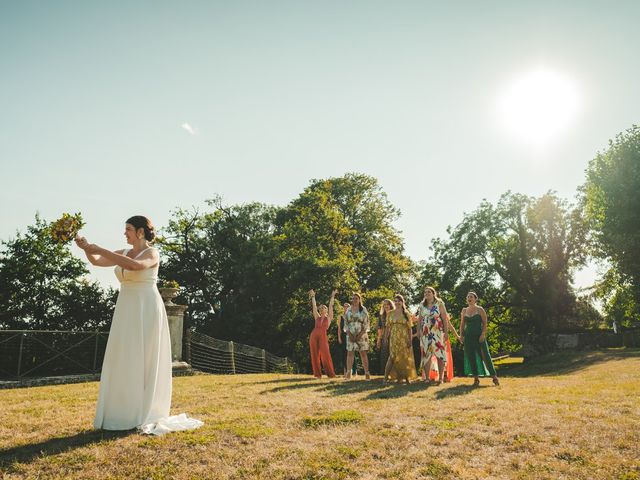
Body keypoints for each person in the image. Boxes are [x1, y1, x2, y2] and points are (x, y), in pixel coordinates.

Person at [75, 216, 202, 434]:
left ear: (141, 232)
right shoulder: (122, 253)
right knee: (124, 355)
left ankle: (144, 409)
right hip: (126, 308)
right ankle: (121, 410)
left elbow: (135, 266)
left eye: (129, 229)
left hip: (147, 308)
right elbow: (96, 261)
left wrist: (100, 248)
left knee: (144, 356)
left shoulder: (152, 253)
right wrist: (86, 247)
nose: (125, 233)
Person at [459, 292, 499, 386]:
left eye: (471, 297)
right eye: (468, 296)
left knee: (485, 356)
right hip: (468, 337)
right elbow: (462, 325)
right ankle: (476, 379)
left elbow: (485, 323)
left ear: (475, 299)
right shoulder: (464, 310)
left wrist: (483, 334)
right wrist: (461, 336)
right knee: (471, 357)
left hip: (479, 336)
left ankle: (494, 377)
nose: (469, 298)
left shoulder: (480, 309)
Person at [416, 286, 450, 385]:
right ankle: (427, 378)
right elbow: (419, 319)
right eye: (425, 292)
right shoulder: (422, 305)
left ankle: (440, 378)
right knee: (426, 354)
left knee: (440, 354)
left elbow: (444, 319)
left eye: (429, 292)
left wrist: (446, 332)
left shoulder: (439, 303)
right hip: (426, 332)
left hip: (437, 331)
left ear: (433, 293)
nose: (427, 294)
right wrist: (418, 331)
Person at [383, 295, 417, 384]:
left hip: (404, 338)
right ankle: (385, 378)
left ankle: (406, 379)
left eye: (399, 301)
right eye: (395, 301)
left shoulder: (407, 314)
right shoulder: (390, 313)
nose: (397, 303)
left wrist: (410, 340)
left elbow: (410, 328)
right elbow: (387, 327)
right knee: (392, 357)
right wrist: (385, 337)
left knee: (404, 358)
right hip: (393, 338)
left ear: (402, 302)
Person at [308, 289, 337, 379]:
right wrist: (313, 297)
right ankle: (317, 375)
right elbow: (314, 306)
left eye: (324, 307)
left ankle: (331, 374)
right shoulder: (317, 317)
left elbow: (331, 305)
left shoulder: (329, 318)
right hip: (314, 335)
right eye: (321, 308)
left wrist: (332, 296)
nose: (322, 308)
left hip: (323, 335)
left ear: (326, 310)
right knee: (314, 354)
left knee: (325, 354)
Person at [344, 293, 371, 380]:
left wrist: (360, 334)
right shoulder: (348, 310)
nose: (354, 300)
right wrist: (349, 334)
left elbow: (366, 323)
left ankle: (367, 373)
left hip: (361, 334)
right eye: (353, 298)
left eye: (356, 298)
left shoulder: (363, 310)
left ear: (359, 299)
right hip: (350, 334)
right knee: (350, 353)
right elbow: (346, 323)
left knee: (363, 353)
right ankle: (348, 373)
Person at [428, 314, 461, 383]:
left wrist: (458, 337)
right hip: (435, 339)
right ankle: (434, 374)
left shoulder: (444, 317)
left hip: (443, 339)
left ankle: (444, 375)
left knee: (444, 357)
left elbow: (451, 327)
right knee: (434, 357)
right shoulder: (432, 316)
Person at [337, 303, 357, 378]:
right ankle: (345, 372)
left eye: (347, 306)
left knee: (351, 353)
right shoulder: (340, 317)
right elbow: (339, 328)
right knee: (344, 354)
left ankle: (354, 372)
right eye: (344, 306)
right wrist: (339, 337)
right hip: (343, 336)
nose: (346, 308)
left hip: (351, 336)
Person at [376, 300, 393, 375]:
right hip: (384, 337)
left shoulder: (394, 314)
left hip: (394, 335)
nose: (386, 306)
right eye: (384, 305)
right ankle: (385, 374)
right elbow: (379, 329)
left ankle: (394, 374)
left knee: (393, 355)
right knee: (384, 355)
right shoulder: (381, 316)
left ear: (391, 305)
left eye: (387, 304)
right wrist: (379, 340)